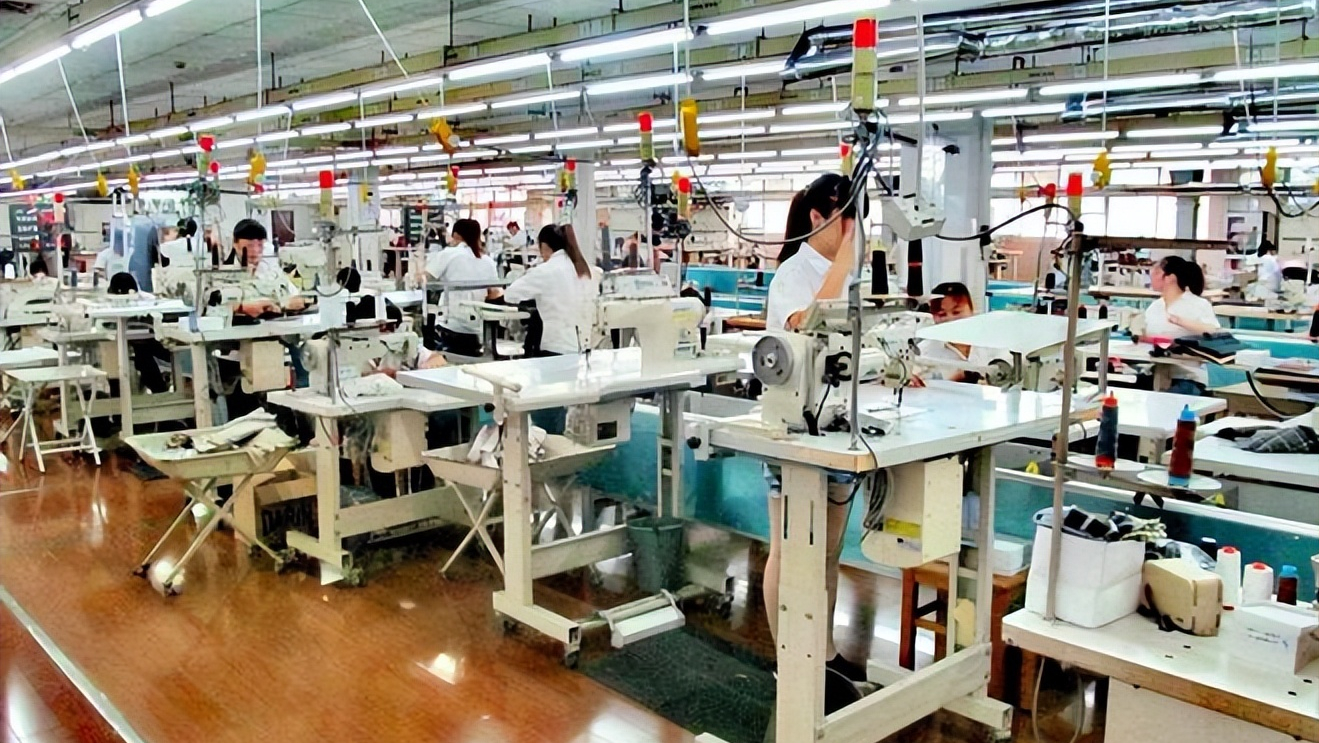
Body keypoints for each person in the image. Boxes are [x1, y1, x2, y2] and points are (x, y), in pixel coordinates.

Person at [761, 173, 868, 696]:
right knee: (790, 551)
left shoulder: (851, 273)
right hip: (793, 430)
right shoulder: (793, 273)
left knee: (827, 553)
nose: (853, 231)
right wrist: (846, 259)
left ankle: (822, 654)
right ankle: (789, 660)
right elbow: (805, 326)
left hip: (839, 427)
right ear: (817, 218)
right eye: (846, 220)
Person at [497, 224, 597, 356]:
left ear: (544, 246)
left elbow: (510, 295)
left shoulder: (545, 271)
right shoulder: (582, 269)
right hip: (580, 345)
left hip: (554, 346)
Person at [1144, 256, 1220, 395]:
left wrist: (1180, 322)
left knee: (1170, 402)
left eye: (1157, 272)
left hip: (1187, 377)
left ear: (1170, 278)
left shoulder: (1198, 304)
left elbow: (1214, 332)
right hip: (1157, 374)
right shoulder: (1154, 307)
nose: (1151, 277)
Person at [426, 218, 497, 357]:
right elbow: (494, 293)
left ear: (456, 235)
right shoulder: (488, 261)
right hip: (477, 329)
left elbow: (424, 278)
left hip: (450, 325)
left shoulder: (448, 254)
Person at [915, 282, 1004, 384]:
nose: (950, 319)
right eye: (942, 314)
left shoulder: (995, 343)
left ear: (971, 309)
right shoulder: (923, 353)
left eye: (956, 312)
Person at [105, 272, 172, 395]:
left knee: (143, 355)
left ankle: (158, 389)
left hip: (149, 341)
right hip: (129, 344)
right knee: (141, 355)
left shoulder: (147, 300)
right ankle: (159, 390)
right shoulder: (107, 303)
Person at [230, 219, 307, 317]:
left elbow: (295, 295)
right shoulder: (223, 274)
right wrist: (241, 308)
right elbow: (216, 307)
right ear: (235, 244)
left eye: (260, 245)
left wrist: (289, 304)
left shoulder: (272, 270)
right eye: (249, 246)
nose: (255, 251)